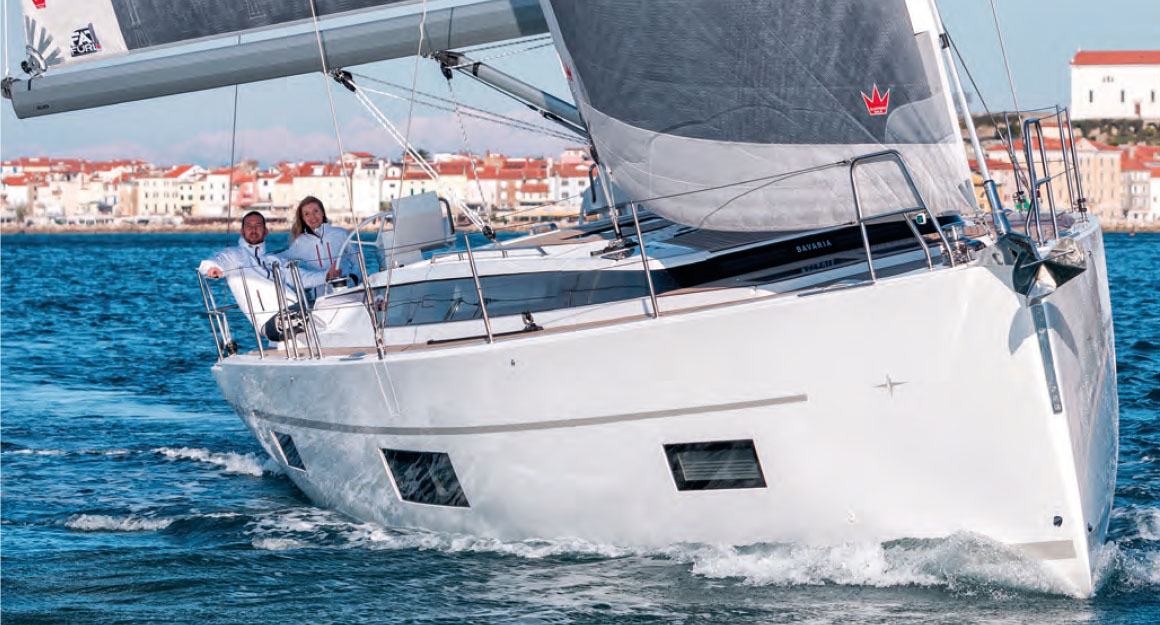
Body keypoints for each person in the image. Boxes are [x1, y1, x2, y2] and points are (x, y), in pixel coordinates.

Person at [280, 196, 360, 287]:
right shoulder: (299, 242)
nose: (312, 217)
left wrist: (354, 279)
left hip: (345, 289)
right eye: (307, 214)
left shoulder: (341, 234)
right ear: (303, 218)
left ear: (322, 212)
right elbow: (281, 259)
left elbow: (358, 261)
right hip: (319, 297)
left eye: (316, 211)